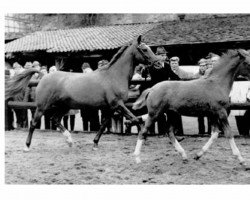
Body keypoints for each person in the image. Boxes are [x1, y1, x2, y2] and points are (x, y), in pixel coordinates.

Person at [141, 47, 183, 137]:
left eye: (165, 55)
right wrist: (145, 69)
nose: (164, 57)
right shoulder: (153, 66)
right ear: (157, 56)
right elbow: (145, 74)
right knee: (159, 113)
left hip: (165, 92)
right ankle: (161, 132)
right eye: (162, 55)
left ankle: (171, 131)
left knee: (172, 111)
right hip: (156, 91)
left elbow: (173, 75)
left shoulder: (167, 65)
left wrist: (181, 81)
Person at [80, 62, 100, 132]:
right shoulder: (94, 74)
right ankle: (94, 130)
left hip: (85, 101)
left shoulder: (83, 75)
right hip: (93, 101)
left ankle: (85, 130)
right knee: (93, 118)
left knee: (85, 119)